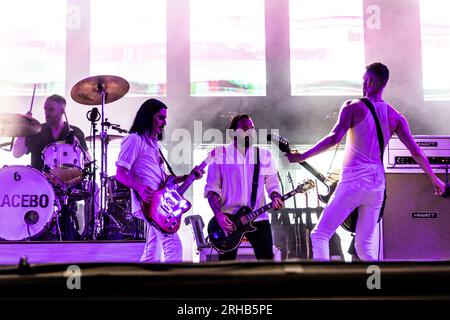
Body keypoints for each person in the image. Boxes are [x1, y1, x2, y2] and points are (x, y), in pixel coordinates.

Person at [286, 62, 446, 261]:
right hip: (377, 185)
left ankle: (324, 284)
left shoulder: (353, 106)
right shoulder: (396, 116)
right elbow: (415, 151)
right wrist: (434, 178)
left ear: (368, 81)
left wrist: (301, 156)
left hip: (353, 181)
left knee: (320, 234)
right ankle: (376, 287)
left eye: (364, 80)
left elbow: (334, 138)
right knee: (365, 248)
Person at [115, 98, 204, 263]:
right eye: (160, 117)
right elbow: (120, 173)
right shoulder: (135, 139)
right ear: (148, 117)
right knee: (173, 245)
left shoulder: (154, 145)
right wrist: (139, 188)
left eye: (165, 118)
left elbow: (164, 180)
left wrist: (188, 177)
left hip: (160, 202)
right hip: (149, 202)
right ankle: (171, 284)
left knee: (151, 252)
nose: (164, 122)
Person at [13, 94, 96, 240]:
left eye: (51, 110)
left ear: (62, 111)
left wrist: (80, 148)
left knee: (93, 186)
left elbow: (89, 160)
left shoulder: (75, 131)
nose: (46, 113)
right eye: (45, 109)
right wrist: (23, 129)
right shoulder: (36, 130)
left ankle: (91, 233)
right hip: (40, 183)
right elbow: (17, 153)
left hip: (70, 183)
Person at [205, 114, 284, 261]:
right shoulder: (220, 155)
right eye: (245, 128)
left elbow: (272, 183)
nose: (250, 132)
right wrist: (218, 214)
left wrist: (275, 196)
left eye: (252, 129)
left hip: (258, 218)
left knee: (267, 264)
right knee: (226, 269)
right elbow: (212, 189)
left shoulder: (264, 154)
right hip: (228, 221)